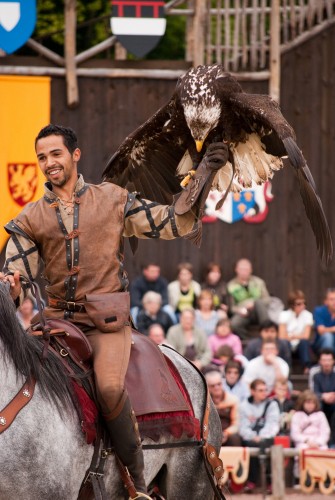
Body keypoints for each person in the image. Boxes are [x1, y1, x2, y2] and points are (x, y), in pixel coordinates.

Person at [1, 124, 227, 499]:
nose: (48, 163)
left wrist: (201, 182)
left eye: (55, 154)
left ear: (75, 155)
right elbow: (16, 273)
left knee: (108, 388)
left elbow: (173, 222)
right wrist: (11, 286)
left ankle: (136, 484)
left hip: (107, 326)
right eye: (42, 157)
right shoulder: (30, 218)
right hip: (56, 324)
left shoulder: (113, 199)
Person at [239, 378, 280, 493]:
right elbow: (242, 426)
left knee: (266, 444)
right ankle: (252, 481)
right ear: (252, 391)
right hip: (250, 438)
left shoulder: (272, 404)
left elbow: (273, 424)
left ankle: (269, 482)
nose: (264, 393)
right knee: (252, 446)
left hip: (266, 437)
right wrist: (253, 436)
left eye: (265, 390)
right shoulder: (244, 406)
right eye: (260, 390)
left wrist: (261, 436)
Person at [227, 258, 271, 339]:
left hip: (259, 311)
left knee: (258, 302)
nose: (244, 272)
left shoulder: (259, 282)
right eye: (241, 269)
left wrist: (254, 303)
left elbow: (267, 300)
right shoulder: (231, 285)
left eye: (246, 269)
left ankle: (267, 332)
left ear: (251, 270)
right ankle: (249, 341)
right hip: (244, 313)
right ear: (236, 270)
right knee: (233, 324)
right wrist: (240, 310)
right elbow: (232, 308)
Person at [278, 290, 313, 372]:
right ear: (292, 305)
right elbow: (282, 336)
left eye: (304, 303)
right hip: (288, 345)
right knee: (284, 343)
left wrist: (291, 336)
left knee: (304, 342)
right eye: (299, 304)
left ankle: (306, 368)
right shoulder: (284, 315)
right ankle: (287, 368)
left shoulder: (308, 315)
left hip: (300, 346)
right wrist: (298, 336)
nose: (302, 306)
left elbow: (306, 336)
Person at [205, 370, 242, 446]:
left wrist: (226, 433)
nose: (217, 387)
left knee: (235, 438)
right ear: (208, 387)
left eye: (219, 384)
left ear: (222, 383)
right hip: (209, 434)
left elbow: (236, 424)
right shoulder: (204, 402)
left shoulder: (233, 400)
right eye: (213, 385)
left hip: (227, 434)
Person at [310, 348, 335, 444]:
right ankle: (318, 440)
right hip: (320, 401)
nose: (326, 363)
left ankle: (333, 443)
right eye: (324, 360)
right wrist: (323, 396)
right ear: (320, 361)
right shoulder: (315, 373)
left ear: (333, 361)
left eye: (329, 360)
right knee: (316, 404)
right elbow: (313, 391)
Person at [313, 288, 335, 353]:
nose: (334, 302)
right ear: (326, 301)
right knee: (328, 336)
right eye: (331, 299)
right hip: (320, 344)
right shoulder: (319, 311)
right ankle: (327, 361)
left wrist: (328, 329)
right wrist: (333, 329)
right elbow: (321, 331)